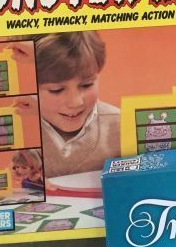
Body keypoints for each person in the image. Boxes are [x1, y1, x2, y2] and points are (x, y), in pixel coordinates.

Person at [34, 32, 120, 177]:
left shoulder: (122, 127)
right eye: (57, 90)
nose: (76, 102)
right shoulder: (14, 132)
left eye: (86, 85)